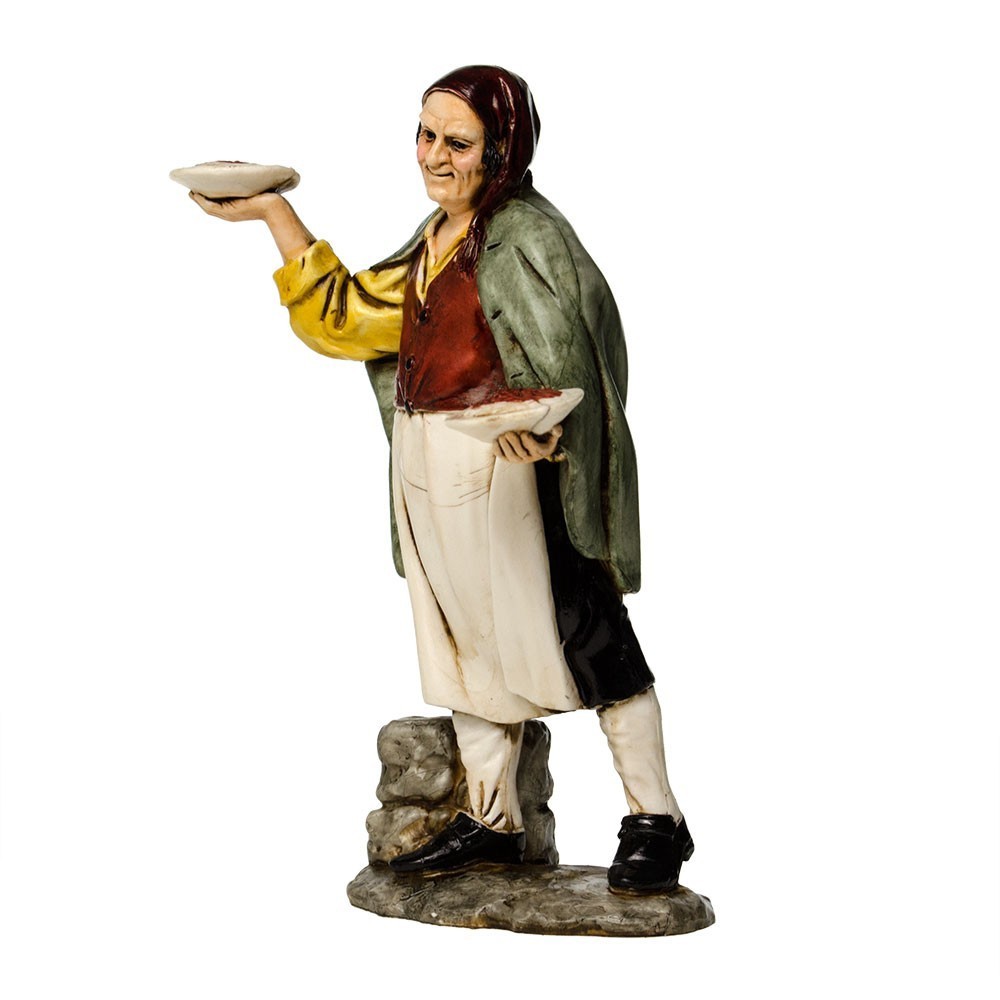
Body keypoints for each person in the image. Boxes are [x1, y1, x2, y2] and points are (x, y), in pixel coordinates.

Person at [191, 65, 694, 894]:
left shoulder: (527, 238)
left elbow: (577, 353)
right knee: (462, 644)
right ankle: (494, 819)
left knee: (592, 637)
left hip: (517, 477)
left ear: (502, 151)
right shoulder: (435, 239)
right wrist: (275, 214)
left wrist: (551, 433)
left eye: (457, 142)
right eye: (425, 135)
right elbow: (348, 318)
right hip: (430, 471)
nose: (433, 155)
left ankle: (657, 820)